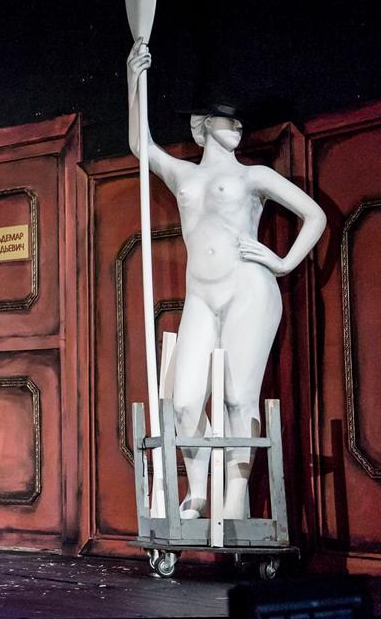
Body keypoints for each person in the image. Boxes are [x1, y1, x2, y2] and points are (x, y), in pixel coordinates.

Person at [126, 41, 325, 519]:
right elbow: (141, 146)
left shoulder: (253, 177)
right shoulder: (183, 176)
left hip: (247, 287)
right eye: (225, 119)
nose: (236, 127)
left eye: (238, 122)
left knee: (238, 396)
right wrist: (134, 78)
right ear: (201, 125)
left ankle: (234, 498)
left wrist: (282, 262)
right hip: (201, 293)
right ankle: (198, 491)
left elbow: (315, 216)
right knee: (183, 400)